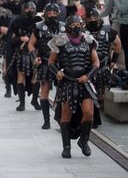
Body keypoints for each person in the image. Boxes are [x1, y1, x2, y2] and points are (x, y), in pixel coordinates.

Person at [48, 15, 99, 158]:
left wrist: (87, 76)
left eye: (79, 23)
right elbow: (51, 62)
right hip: (67, 82)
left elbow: (96, 63)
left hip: (84, 82)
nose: (76, 26)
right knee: (66, 115)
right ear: (68, 26)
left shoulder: (89, 41)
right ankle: (66, 147)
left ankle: (84, 140)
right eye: (74, 24)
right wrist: (57, 72)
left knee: (89, 114)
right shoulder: (59, 41)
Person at [28, 2, 65, 129]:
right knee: (44, 91)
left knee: (63, 93)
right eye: (50, 13)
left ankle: (62, 120)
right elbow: (31, 44)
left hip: (61, 64)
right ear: (45, 14)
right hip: (44, 62)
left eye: (55, 13)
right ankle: (46, 120)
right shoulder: (38, 27)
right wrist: (35, 57)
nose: (52, 15)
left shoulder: (63, 28)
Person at [84, 7, 121, 128]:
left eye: (95, 18)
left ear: (99, 19)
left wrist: (113, 61)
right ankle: (91, 117)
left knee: (100, 93)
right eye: (90, 18)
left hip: (103, 66)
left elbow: (117, 44)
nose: (93, 20)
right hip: (87, 67)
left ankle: (96, 115)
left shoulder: (108, 31)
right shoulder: (82, 31)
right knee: (89, 93)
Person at [6, 0, 41, 111]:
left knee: (36, 77)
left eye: (31, 9)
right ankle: (22, 103)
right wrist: (21, 38)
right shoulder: (16, 22)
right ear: (23, 9)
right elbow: (11, 40)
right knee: (21, 76)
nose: (29, 10)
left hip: (34, 53)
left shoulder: (39, 22)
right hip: (21, 53)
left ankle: (35, 100)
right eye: (27, 8)